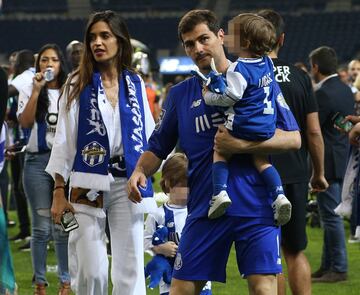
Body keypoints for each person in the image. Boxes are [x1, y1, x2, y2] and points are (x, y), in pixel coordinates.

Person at [128, 9, 301, 295]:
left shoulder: (258, 80)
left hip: (256, 204)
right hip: (205, 207)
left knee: (263, 290)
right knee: (181, 289)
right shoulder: (181, 94)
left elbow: (293, 138)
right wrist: (139, 170)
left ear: (221, 37)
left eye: (203, 39)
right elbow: (158, 146)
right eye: (189, 44)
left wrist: (242, 146)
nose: (197, 48)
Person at [45, 10, 156, 295]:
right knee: (90, 271)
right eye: (92, 37)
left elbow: (148, 134)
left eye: (105, 36)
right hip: (85, 181)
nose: (97, 42)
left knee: (130, 269)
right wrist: (59, 190)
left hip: (127, 181)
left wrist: (147, 171)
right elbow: (63, 141)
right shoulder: (75, 83)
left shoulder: (134, 83)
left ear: (120, 41)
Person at [258, 9, 328, 295]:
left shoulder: (246, 74)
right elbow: (313, 131)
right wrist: (319, 174)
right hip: (297, 175)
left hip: (261, 174)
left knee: (270, 259)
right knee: (295, 251)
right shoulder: (300, 76)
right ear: (282, 39)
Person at [200, 13, 292, 224]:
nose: (227, 37)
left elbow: (231, 96)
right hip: (267, 126)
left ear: (246, 42)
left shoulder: (238, 68)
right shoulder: (268, 62)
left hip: (244, 125)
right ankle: (278, 195)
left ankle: (219, 193)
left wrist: (208, 95)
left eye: (232, 34)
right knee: (260, 160)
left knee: (220, 150)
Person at [17, 43, 70, 294]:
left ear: (62, 65)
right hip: (37, 163)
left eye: (54, 60)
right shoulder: (30, 89)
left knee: (64, 226)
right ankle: (40, 283)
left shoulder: (71, 91)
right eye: (44, 60)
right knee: (41, 227)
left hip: (65, 164)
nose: (49, 64)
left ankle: (66, 281)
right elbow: (25, 122)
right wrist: (37, 91)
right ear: (38, 65)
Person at [309, 46, 353, 283]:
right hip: (342, 158)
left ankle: (338, 268)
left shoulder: (322, 94)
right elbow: (344, 125)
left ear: (315, 67)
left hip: (327, 163)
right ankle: (328, 266)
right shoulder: (346, 89)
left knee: (331, 218)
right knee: (329, 215)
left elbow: (313, 129)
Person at [144, 153, 211, 295]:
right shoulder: (157, 214)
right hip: (170, 285)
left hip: (201, 282)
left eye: (190, 186)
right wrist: (161, 248)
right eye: (183, 186)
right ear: (168, 182)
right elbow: (145, 241)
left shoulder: (200, 210)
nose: (188, 191)